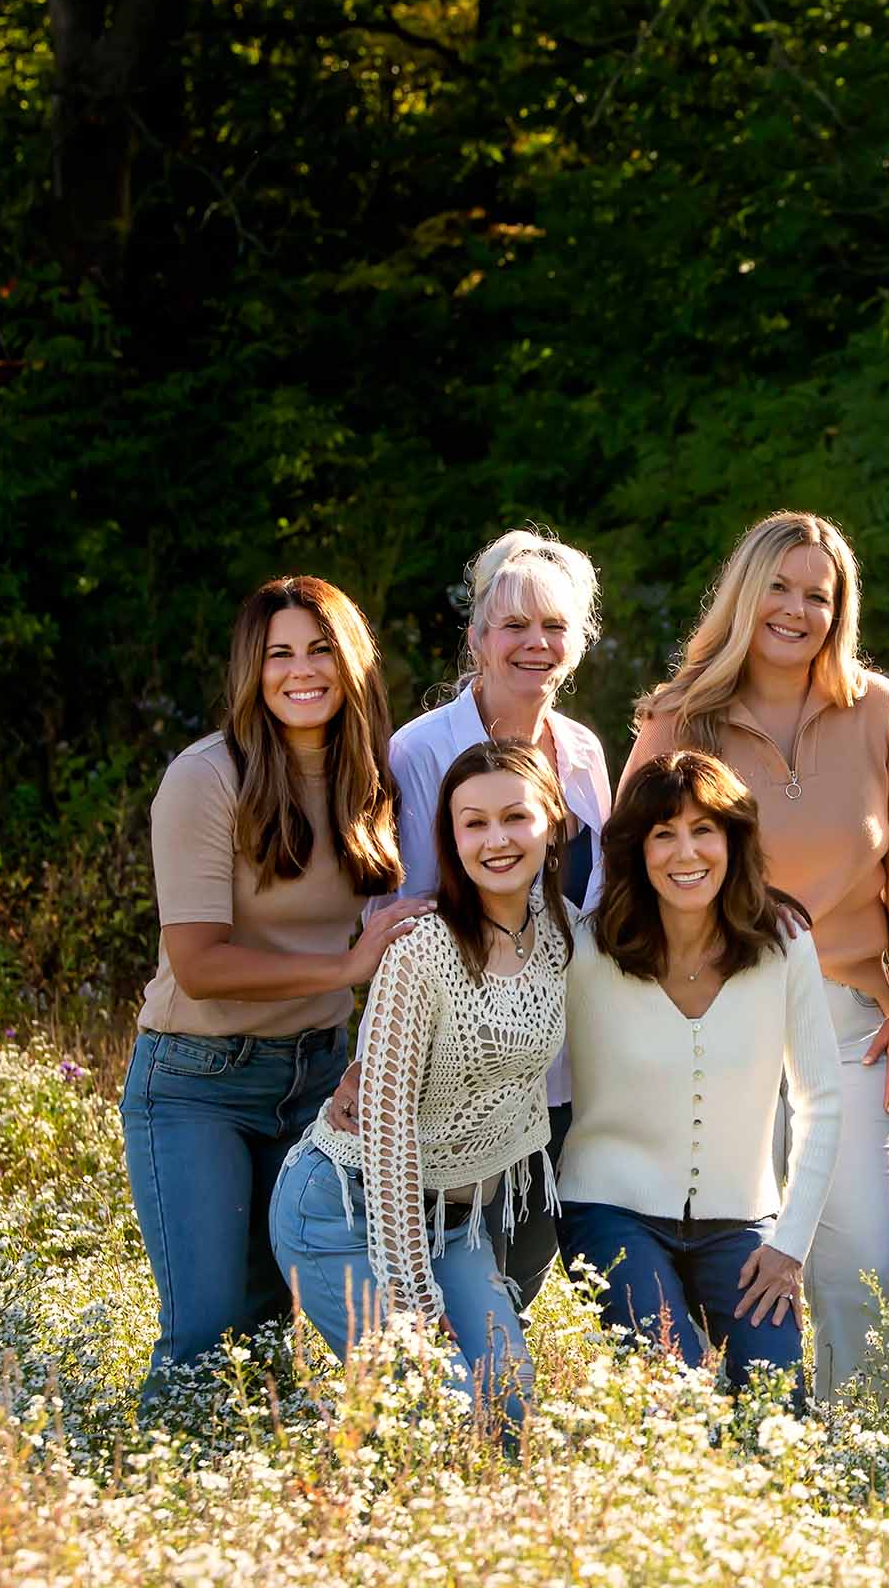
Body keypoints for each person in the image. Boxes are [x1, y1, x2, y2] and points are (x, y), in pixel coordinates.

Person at [620, 511, 889, 1400]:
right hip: (716, 1025)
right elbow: (625, 877)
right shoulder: (681, 717)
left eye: (820, 594)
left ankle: (863, 1468)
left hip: (850, 1022)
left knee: (866, 1264)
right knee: (741, 1263)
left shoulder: (880, 711)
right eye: (780, 587)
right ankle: (755, 1460)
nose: (797, 609)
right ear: (743, 593)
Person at [124, 576, 428, 1407]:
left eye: (320, 649)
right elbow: (198, 962)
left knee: (277, 1327)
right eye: (279, 653)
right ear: (252, 670)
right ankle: (157, 1497)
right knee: (210, 1327)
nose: (302, 671)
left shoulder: (371, 778)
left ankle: (274, 1500)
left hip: (319, 1079)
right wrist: (343, 969)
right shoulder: (206, 777)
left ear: (350, 661)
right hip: (198, 1083)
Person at [328, 529, 611, 1309]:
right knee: (445, 1287)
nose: (534, 643)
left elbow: (593, 910)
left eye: (553, 627)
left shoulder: (583, 754)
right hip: (453, 1082)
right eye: (513, 626)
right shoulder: (420, 753)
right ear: (478, 638)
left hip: (555, 1073)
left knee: (515, 1286)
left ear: (577, 643)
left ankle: (482, 1420)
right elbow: (396, 919)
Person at [272, 739, 576, 1431]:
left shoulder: (559, 935)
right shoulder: (422, 950)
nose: (496, 839)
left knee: (512, 1413)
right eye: (474, 823)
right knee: (443, 1411)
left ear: (552, 821)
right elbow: (386, 1135)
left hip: (456, 1222)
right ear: (451, 839)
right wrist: (411, 1300)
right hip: (344, 1211)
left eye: (515, 818)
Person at [560, 751, 841, 1397]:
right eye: (664, 834)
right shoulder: (585, 949)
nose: (685, 853)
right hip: (608, 1211)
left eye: (703, 829)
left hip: (741, 1223)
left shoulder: (783, 944)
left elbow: (821, 1100)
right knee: (681, 1390)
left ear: (733, 839)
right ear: (638, 849)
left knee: (781, 1413)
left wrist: (789, 1245)